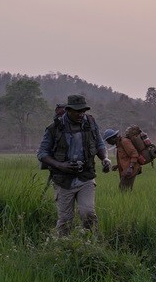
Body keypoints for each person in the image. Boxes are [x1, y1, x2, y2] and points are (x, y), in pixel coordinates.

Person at [38, 95, 112, 236]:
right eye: (77, 111)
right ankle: (64, 247)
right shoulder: (54, 128)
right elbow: (42, 153)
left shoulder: (90, 123)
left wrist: (105, 159)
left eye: (83, 111)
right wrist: (60, 165)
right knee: (65, 219)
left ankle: (93, 243)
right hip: (63, 180)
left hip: (86, 177)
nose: (81, 114)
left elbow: (99, 144)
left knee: (88, 213)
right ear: (68, 110)